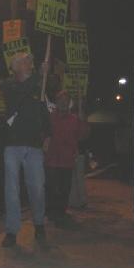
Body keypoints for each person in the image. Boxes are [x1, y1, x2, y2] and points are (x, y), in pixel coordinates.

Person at [0, 52, 51, 248]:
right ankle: (12, 231)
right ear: (15, 67)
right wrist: (40, 74)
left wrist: (48, 134)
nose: (29, 63)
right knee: (11, 190)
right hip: (12, 145)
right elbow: (22, 90)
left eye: (30, 60)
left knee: (37, 187)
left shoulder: (39, 86)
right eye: (24, 61)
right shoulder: (9, 85)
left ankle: (39, 223)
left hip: (34, 145)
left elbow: (43, 111)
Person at [45, 90, 89, 227]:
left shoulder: (75, 119)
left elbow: (83, 135)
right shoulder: (50, 118)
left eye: (66, 100)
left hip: (66, 161)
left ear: (69, 103)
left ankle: (60, 214)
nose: (63, 103)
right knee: (52, 188)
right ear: (56, 102)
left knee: (64, 189)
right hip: (51, 160)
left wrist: (82, 117)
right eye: (60, 100)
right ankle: (52, 213)